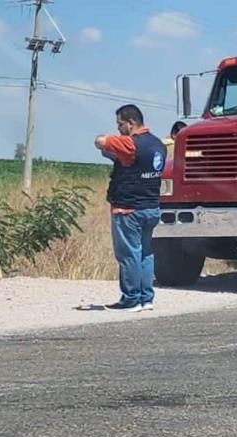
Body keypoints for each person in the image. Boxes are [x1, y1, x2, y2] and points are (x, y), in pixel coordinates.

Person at [94, 104, 164, 312]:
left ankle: (131, 298)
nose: (119, 128)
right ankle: (146, 298)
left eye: (120, 124)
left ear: (131, 122)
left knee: (129, 254)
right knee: (146, 254)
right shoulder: (158, 144)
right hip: (151, 207)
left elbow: (100, 142)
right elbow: (134, 162)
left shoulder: (131, 144)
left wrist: (106, 140)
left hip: (128, 209)